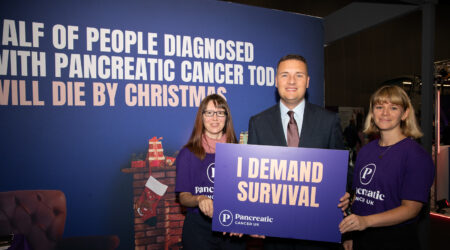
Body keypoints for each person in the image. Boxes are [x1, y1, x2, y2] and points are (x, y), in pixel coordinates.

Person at [248, 54, 350, 249]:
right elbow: (253, 177)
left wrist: (344, 193)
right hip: (275, 235)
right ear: (276, 80)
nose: (292, 81)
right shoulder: (258, 123)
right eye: (285, 75)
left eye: (299, 75)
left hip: (318, 233)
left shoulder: (329, 121)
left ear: (308, 81)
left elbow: (341, 169)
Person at [339, 85, 435, 250]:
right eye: (379, 107)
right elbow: (358, 192)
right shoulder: (366, 150)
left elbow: (411, 209)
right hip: (361, 236)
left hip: (395, 239)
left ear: (405, 114)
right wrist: (350, 232)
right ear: (372, 112)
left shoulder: (416, 155)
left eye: (393, 107)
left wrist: (366, 221)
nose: (385, 113)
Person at [175, 94, 246, 250]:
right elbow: (183, 197)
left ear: (226, 117)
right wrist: (199, 199)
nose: (215, 118)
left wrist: (244, 221)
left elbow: (248, 195)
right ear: (202, 117)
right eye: (209, 112)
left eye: (220, 112)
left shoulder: (240, 152)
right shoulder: (187, 153)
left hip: (232, 229)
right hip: (198, 229)